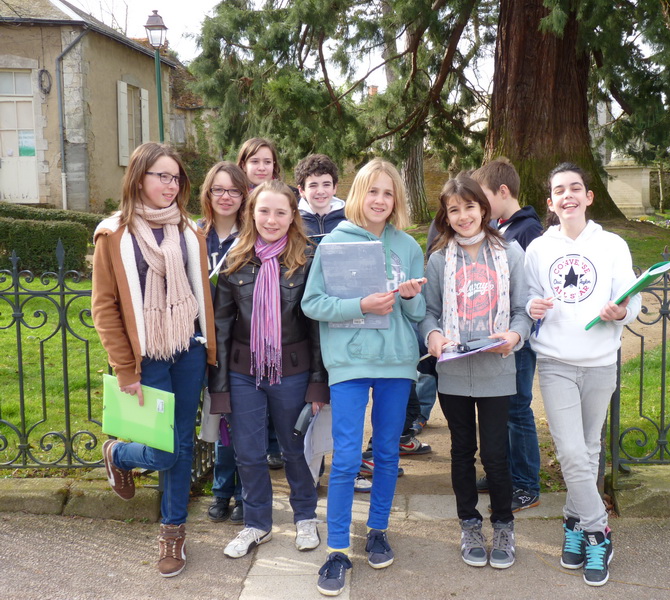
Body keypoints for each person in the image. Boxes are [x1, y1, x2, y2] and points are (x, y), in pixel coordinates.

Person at [301, 158, 425, 597]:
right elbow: (313, 304)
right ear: (358, 194)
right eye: (373, 190)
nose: (380, 200)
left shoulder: (407, 246)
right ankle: (337, 549)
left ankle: (377, 531)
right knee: (347, 458)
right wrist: (361, 306)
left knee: (387, 453)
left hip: (396, 363)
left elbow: (417, 314)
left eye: (388, 193)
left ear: (396, 200)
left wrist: (408, 296)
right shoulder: (334, 242)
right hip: (349, 364)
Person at [93, 142, 217, 577]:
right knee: (164, 452)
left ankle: (172, 532)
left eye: (176, 177)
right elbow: (104, 307)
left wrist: (208, 348)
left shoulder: (188, 230)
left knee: (182, 445)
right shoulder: (113, 234)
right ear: (138, 177)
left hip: (188, 350)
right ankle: (119, 454)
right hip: (148, 357)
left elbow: (200, 293)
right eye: (161, 176)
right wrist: (125, 368)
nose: (171, 185)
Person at [524, 162, 641, 587]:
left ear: (589, 197)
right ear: (550, 203)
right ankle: (597, 532)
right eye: (559, 190)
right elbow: (528, 298)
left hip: (600, 362)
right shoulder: (539, 249)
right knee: (572, 452)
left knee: (589, 450)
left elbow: (632, 299)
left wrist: (620, 311)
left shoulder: (612, 245)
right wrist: (532, 307)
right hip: (556, 362)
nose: (568, 195)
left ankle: (573, 524)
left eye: (576, 188)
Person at [209, 180, 328, 558]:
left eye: (280, 212)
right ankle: (256, 523)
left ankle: (305, 516)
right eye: (264, 211)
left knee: (296, 449)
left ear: (293, 215)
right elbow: (221, 328)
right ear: (251, 213)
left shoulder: (308, 258)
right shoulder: (235, 259)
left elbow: (317, 326)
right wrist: (220, 388)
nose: (271, 220)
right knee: (248, 452)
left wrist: (317, 383)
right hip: (243, 373)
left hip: (293, 371)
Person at [421, 175, 531, 570]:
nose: (463, 216)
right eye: (454, 210)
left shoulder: (510, 252)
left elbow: (522, 310)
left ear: (483, 209)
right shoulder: (439, 259)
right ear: (446, 216)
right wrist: (433, 335)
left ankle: (503, 525)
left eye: (469, 207)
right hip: (453, 372)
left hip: (496, 368)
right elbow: (429, 312)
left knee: (496, 454)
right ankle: (469, 524)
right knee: (462, 450)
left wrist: (514, 335)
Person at [471, 158, 543, 513]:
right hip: (500, 336)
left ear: (503, 192)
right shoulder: (502, 227)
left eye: (483, 197)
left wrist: (519, 331)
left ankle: (527, 484)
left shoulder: (527, 231)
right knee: (501, 408)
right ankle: (506, 473)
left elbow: (530, 290)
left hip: (520, 338)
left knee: (517, 409)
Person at [198, 161, 249, 524]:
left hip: (241, 340)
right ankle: (221, 490)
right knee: (216, 416)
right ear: (208, 193)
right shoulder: (194, 234)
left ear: (244, 195)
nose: (226, 197)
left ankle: (245, 493)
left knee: (242, 420)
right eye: (219, 189)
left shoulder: (251, 236)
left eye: (233, 190)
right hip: (202, 338)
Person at [236, 137, 288, 468]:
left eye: (267, 161)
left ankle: (276, 446)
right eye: (254, 161)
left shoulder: (283, 201)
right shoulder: (235, 202)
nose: (261, 167)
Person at [295, 153, 347, 238]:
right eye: (313, 185)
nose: (320, 191)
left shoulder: (349, 220)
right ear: (301, 190)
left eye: (326, 185)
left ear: (334, 188)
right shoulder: (293, 222)